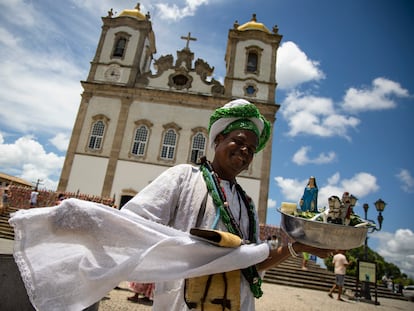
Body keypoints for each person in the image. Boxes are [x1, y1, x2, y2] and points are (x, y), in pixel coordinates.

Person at [9, 99, 333, 311]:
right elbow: (129, 226)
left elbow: (250, 266)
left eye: (251, 147)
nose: (245, 151)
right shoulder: (183, 178)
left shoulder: (247, 204)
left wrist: (297, 248)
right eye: (238, 141)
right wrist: (83, 219)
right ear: (217, 140)